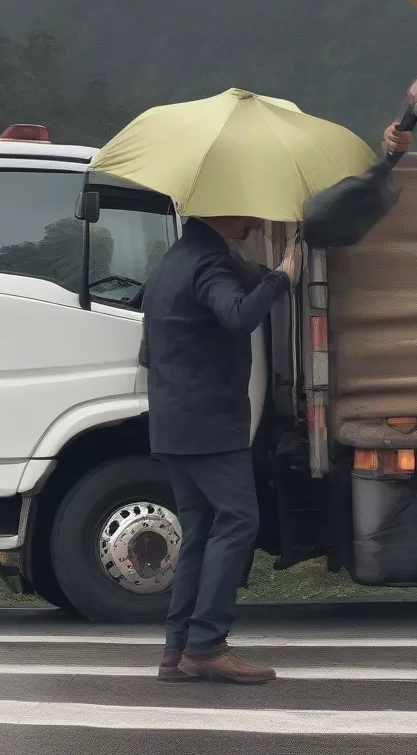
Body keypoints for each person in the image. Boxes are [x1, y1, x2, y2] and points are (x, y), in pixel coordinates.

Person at [142, 214, 299, 684]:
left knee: (200, 529)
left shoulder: (171, 262)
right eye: (242, 208)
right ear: (216, 211)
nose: (251, 218)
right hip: (210, 425)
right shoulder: (209, 264)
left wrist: (252, 271)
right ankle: (207, 644)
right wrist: (282, 277)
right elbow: (238, 315)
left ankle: (177, 648)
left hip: (173, 422)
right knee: (239, 521)